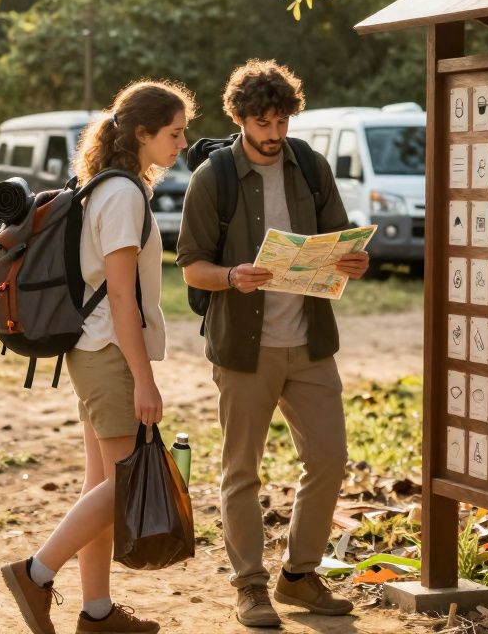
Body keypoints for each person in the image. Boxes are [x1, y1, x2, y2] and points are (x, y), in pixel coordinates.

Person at [176, 60, 369, 628]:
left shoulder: (310, 166)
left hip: (310, 341)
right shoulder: (212, 178)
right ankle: (250, 587)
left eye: (282, 121)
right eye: (263, 122)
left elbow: (341, 242)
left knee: (329, 458)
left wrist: (354, 261)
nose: (275, 133)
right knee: (242, 470)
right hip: (243, 347)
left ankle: (300, 576)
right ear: (239, 118)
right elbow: (191, 267)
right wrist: (232, 276)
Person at [1, 81, 195, 634]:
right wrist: (144, 380)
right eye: (174, 133)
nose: (182, 143)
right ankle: (35, 574)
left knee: (102, 485)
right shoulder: (123, 195)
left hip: (92, 349)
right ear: (142, 134)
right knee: (127, 483)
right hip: (109, 352)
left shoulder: (106, 186)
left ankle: (97, 612)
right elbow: (121, 297)